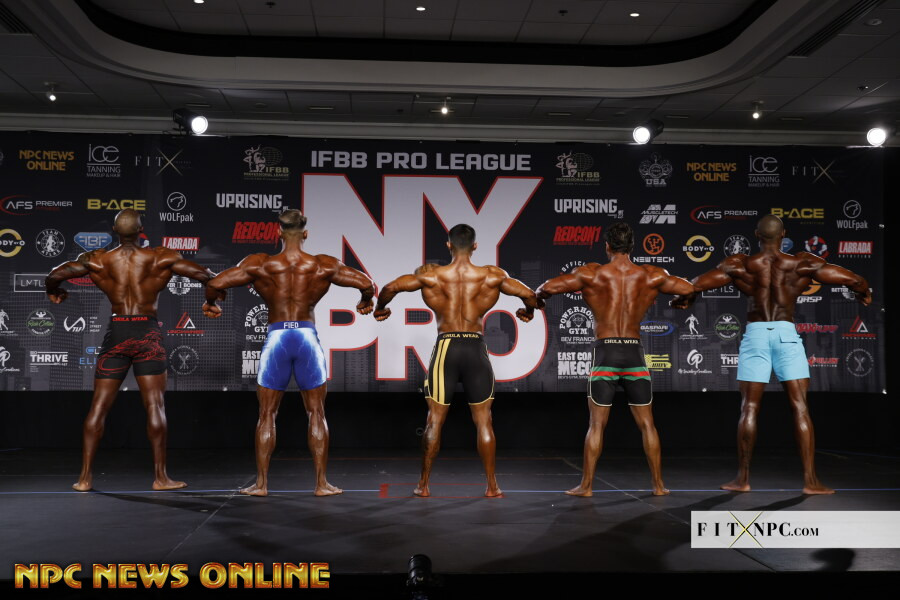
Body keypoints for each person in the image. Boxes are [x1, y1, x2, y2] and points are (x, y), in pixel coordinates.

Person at [672, 215, 872, 494]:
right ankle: (810, 481)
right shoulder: (801, 263)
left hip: (756, 334)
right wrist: (863, 291)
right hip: (785, 334)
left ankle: (742, 479)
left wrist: (687, 297)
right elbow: (852, 279)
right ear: (783, 234)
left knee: (749, 408)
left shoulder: (740, 264)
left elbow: (695, 284)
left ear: (757, 235)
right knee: (800, 407)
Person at [203, 209, 375, 497]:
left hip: (277, 338)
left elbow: (215, 284)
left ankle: (261, 485)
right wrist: (365, 302)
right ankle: (321, 484)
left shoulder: (260, 264)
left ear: (278, 233)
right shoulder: (323, 265)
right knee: (316, 412)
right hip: (306, 337)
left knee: (266, 414)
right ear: (305, 233)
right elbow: (366, 283)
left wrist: (212, 303)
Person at [45, 209, 214, 491]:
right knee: (155, 405)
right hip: (147, 333)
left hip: (118, 333)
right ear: (140, 229)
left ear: (114, 230)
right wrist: (211, 301)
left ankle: (84, 479)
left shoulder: (98, 260)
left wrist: (55, 291)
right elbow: (206, 276)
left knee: (98, 407)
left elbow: (54, 274)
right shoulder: (160, 257)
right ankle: (161, 478)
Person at [374, 224, 541, 498]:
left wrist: (381, 308)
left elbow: (390, 287)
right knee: (484, 420)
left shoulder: (431, 275)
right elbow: (530, 295)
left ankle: (423, 485)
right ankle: (492, 486)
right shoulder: (492, 275)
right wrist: (528, 311)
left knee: (434, 420)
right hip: (475, 347)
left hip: (447, 346)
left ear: (448, 245)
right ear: (475, 246)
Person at [537, 222, 694, 497]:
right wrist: (681, 302)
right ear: (632, 246)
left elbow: (546, 288)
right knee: (647, 424)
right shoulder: (651, 275)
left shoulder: (591, 274)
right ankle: (658, 486)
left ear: (607, 246)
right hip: (634, 353)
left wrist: (535, 303)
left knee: (597, 424)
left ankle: (586, 487)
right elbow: (688, 288)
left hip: (606, 353)